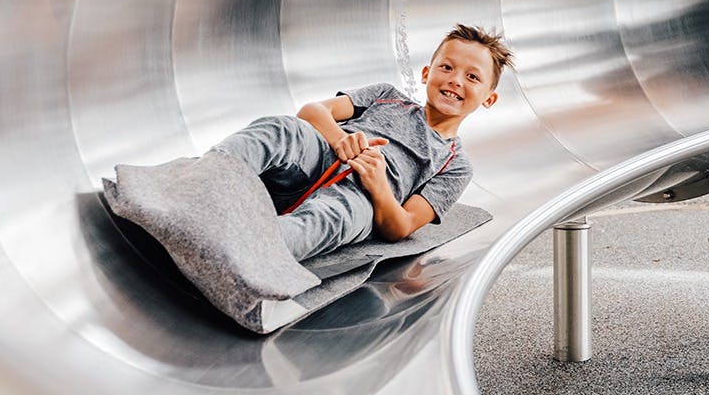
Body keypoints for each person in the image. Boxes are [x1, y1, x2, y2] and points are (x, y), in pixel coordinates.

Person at [211, 24, 513, 263]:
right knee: (282, 129)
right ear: (426, 74)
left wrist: (378, 184)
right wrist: (339, 139)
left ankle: (250, 250)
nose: (455, 80)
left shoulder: (455, 165)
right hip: (321, 156)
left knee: (333, 217)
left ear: (488, 98)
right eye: (446, 67)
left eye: (472, 77)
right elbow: (313, 111)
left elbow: (402, 226)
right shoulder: (386, 95)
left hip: (363, 198)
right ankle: (208, 177)